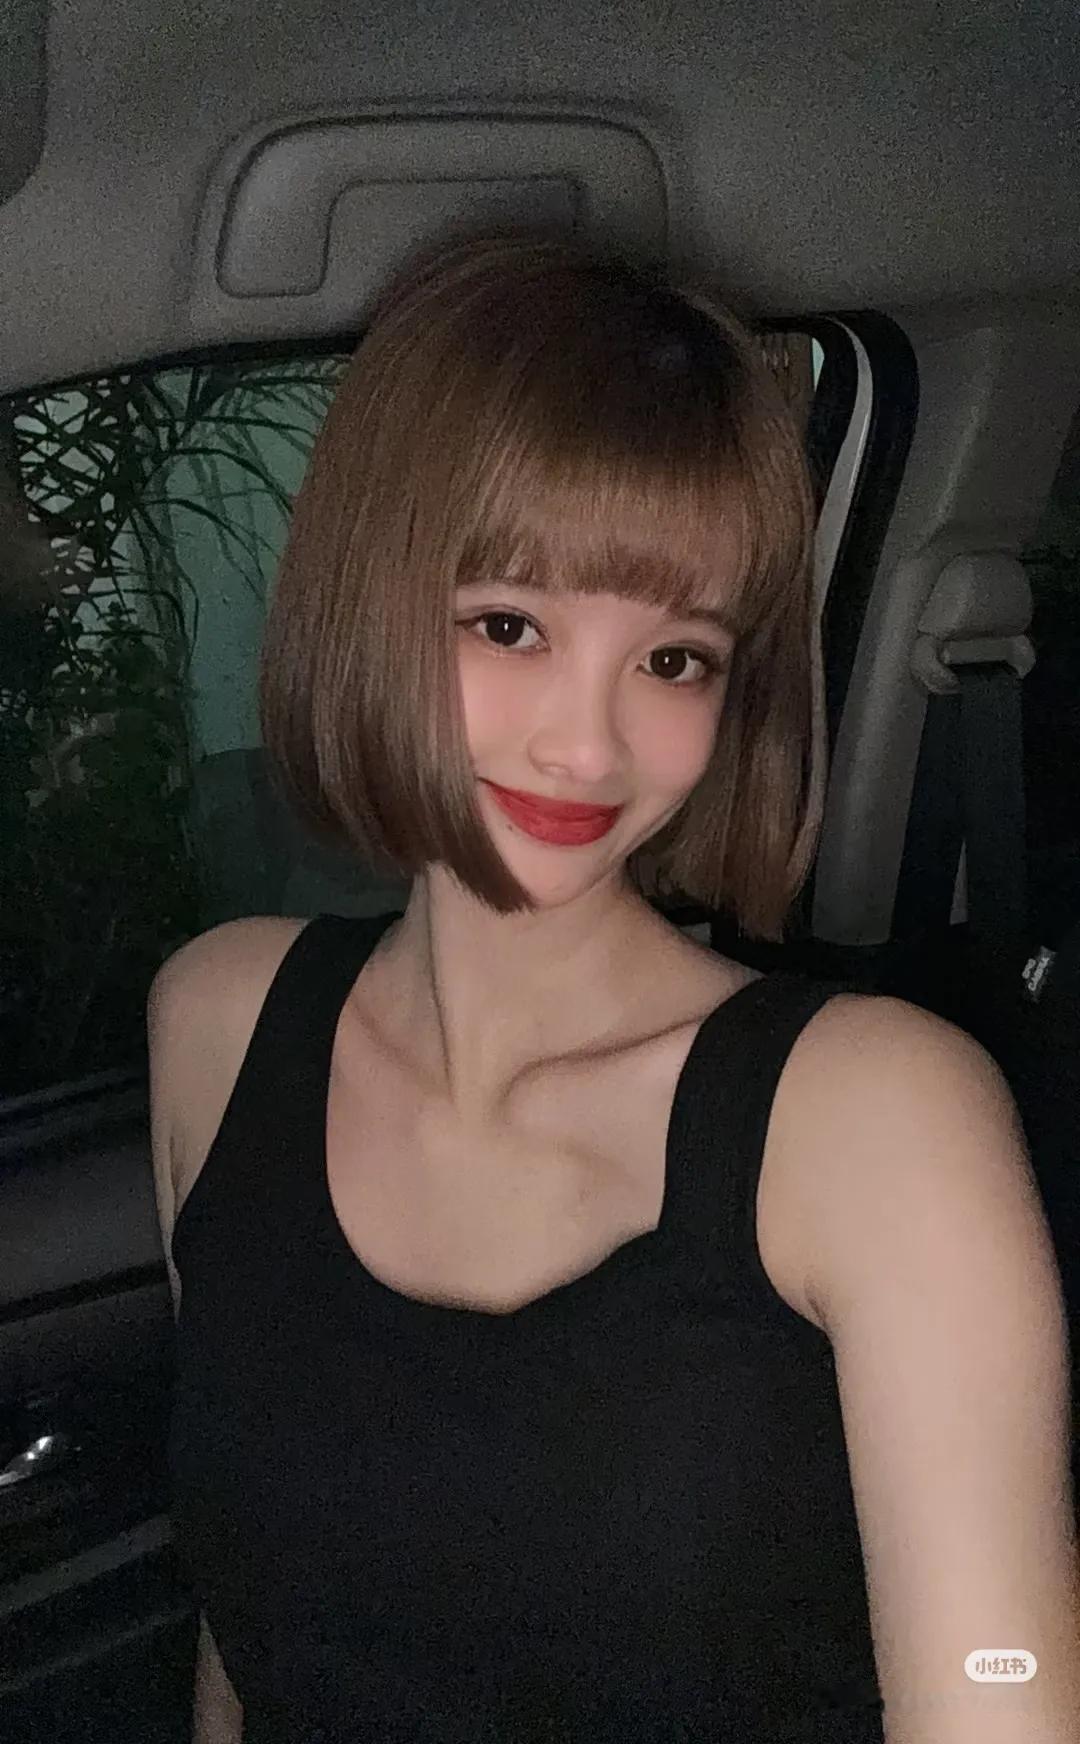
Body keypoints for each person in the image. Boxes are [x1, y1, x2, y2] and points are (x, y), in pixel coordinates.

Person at [148, 230, 1080, 1744]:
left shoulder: (871, 1119)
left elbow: (1001, 1695)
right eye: (509, 626)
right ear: (368, 604)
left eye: (675, 661)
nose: (589, 747)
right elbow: (248, 1627)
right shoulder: (218, 1023)